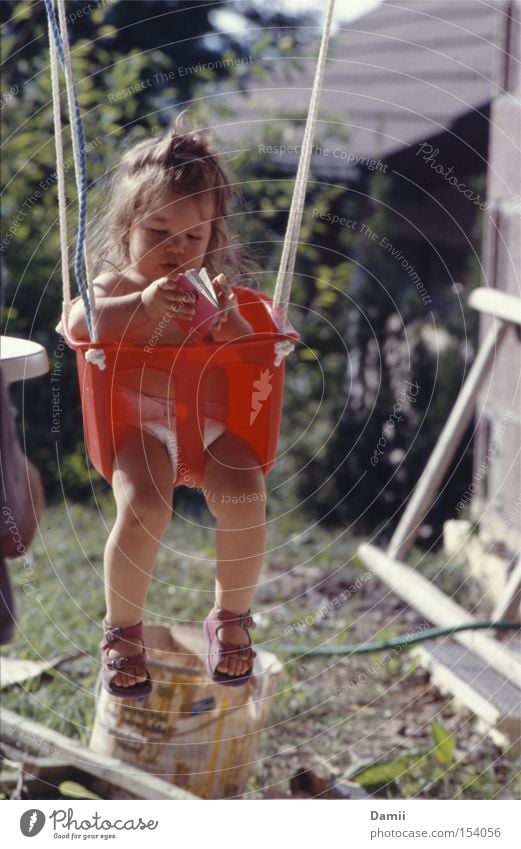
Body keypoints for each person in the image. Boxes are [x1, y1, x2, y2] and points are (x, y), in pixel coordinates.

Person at [67, 123, 266, 695]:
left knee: (247, 495)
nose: (176, 249)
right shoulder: (114, 284)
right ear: (128, 229)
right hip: (137, 426)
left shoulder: (208, 289)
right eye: (159, 232)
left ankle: (230, 617)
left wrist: (229, 320)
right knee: (145, 509)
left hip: (210, 425)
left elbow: (246, 349)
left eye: (192, 237)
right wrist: (142, 305)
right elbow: (81, 325)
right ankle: (124, 631)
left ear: (211, 239)